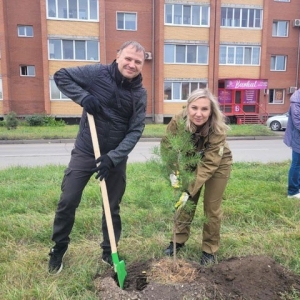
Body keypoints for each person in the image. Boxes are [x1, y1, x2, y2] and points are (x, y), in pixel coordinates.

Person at [48, 41, 147, 274]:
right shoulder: (96, 73)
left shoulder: (139, 93)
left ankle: (109, 251)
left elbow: (136, 130)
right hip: (86, 150)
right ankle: (58, 249)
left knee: (111, 207)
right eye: (128, 59)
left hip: (114, 156)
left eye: (138, 62)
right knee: (68, 200)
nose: (132, 65)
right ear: (118, 56)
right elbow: (61, 76)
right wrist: (83, 97)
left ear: (142, 65)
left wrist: (114, 157)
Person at [161, 88, 232, 265]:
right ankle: (177, 241)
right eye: (194, 108)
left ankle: (209, 249)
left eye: (204, 109)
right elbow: (167, 146)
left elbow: (209, 164)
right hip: (190, 160)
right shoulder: (179, 120)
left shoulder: (218, 128)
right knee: (186, 204)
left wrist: (188, 189)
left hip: (218, 164)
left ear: (211, 111)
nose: (198, 114)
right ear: (188, 107)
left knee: (211, 208)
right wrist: (174, 175)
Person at [284, 88, 300, 199]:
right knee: (296, 164)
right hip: (298, 138)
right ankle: (293, 191)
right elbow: (297, 121)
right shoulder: (297, 100)